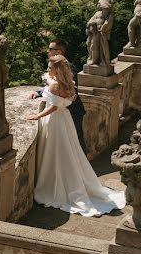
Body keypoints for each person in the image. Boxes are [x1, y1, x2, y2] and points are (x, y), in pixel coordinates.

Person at [29, 55, 125, 217]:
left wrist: (37, 117)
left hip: (54, 121)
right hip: (65, 120)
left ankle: (52, 186)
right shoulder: (69, 84)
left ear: (57, 69)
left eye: (50, 67)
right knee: (68, 151)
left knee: (54, 152)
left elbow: (53, 107)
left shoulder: (55, 86)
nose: (48, 70)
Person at [30, 39, 86, 152]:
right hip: (63, 111)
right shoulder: (56, 65)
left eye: (50, 49)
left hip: (71, 110)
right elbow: (53, 85)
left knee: (75, 140)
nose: (47, 51)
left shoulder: (68, 68)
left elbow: (61, 88)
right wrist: (39, 92)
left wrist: (37, 116)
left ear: (59, 52)